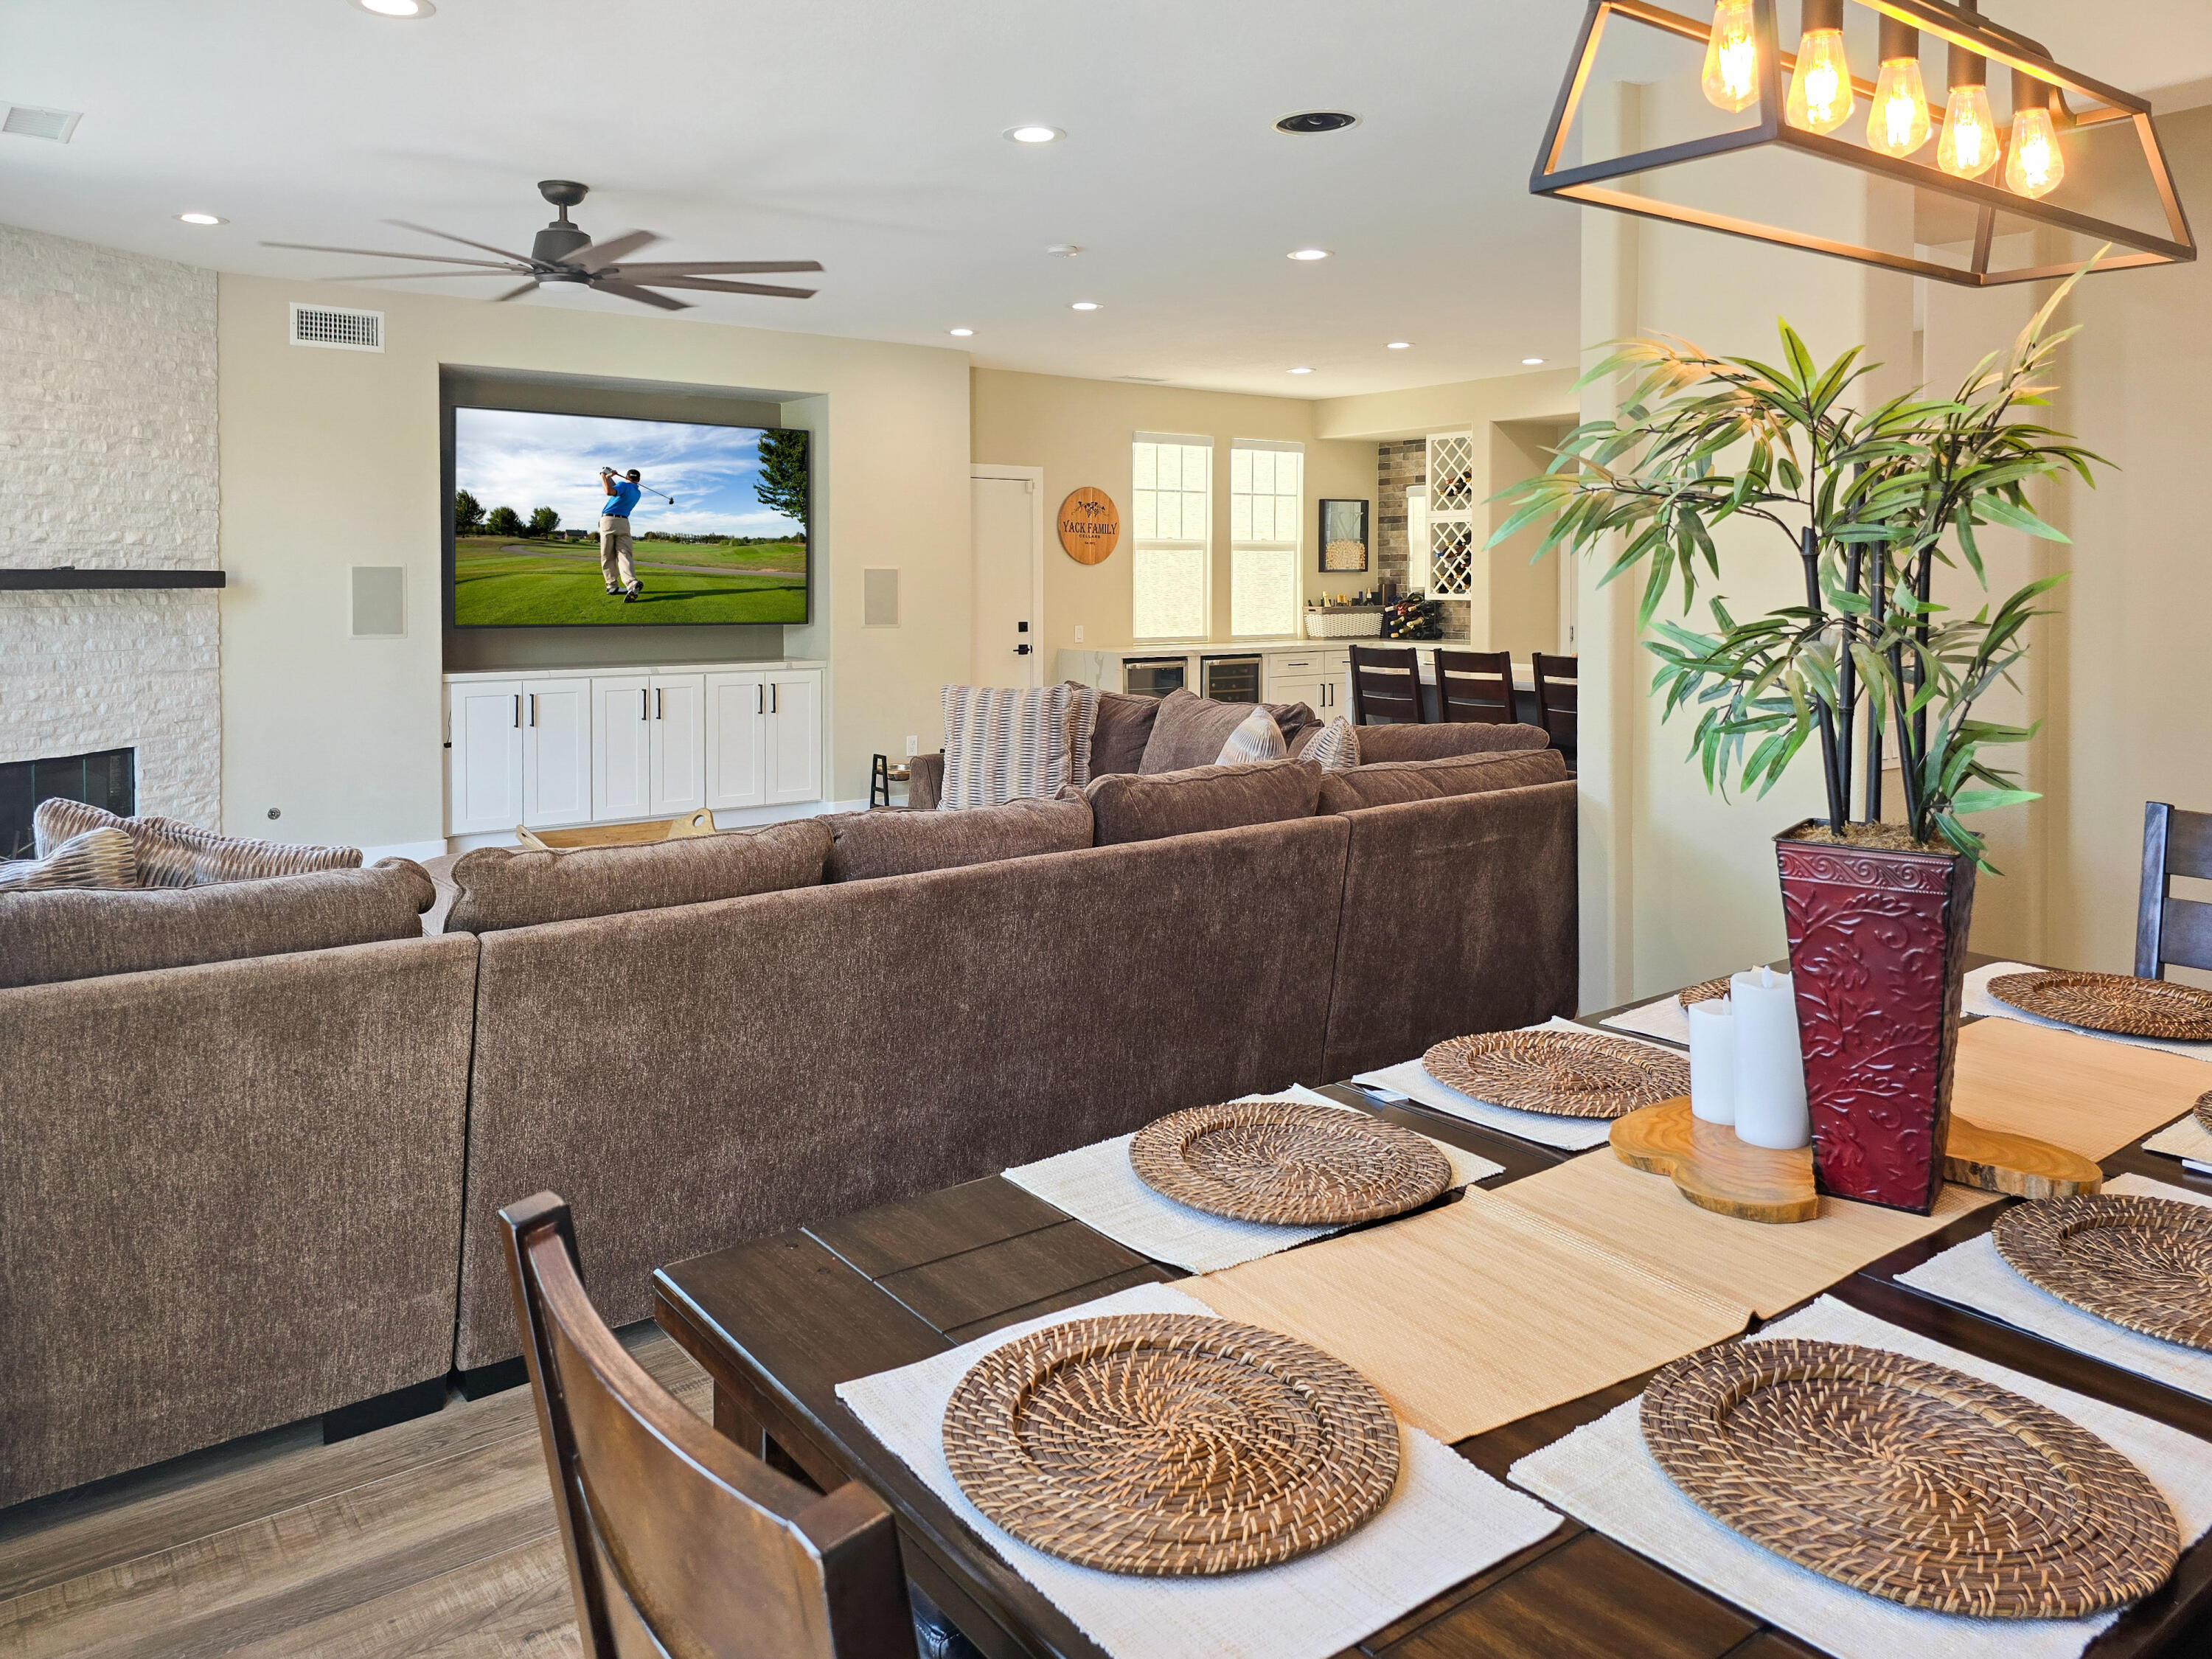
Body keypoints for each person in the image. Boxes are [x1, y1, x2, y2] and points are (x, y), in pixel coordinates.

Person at [598, 468, 644, 601]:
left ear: (626, 477)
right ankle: (632, 583)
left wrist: (603, 475)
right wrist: (609, 478)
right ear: (638, 480)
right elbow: (617, 489)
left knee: (608, 556)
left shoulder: (623, 485)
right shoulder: (637, 492)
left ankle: (612, 585)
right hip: (624, 523)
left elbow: (609, 491)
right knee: (624, 555)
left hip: (608, 521)